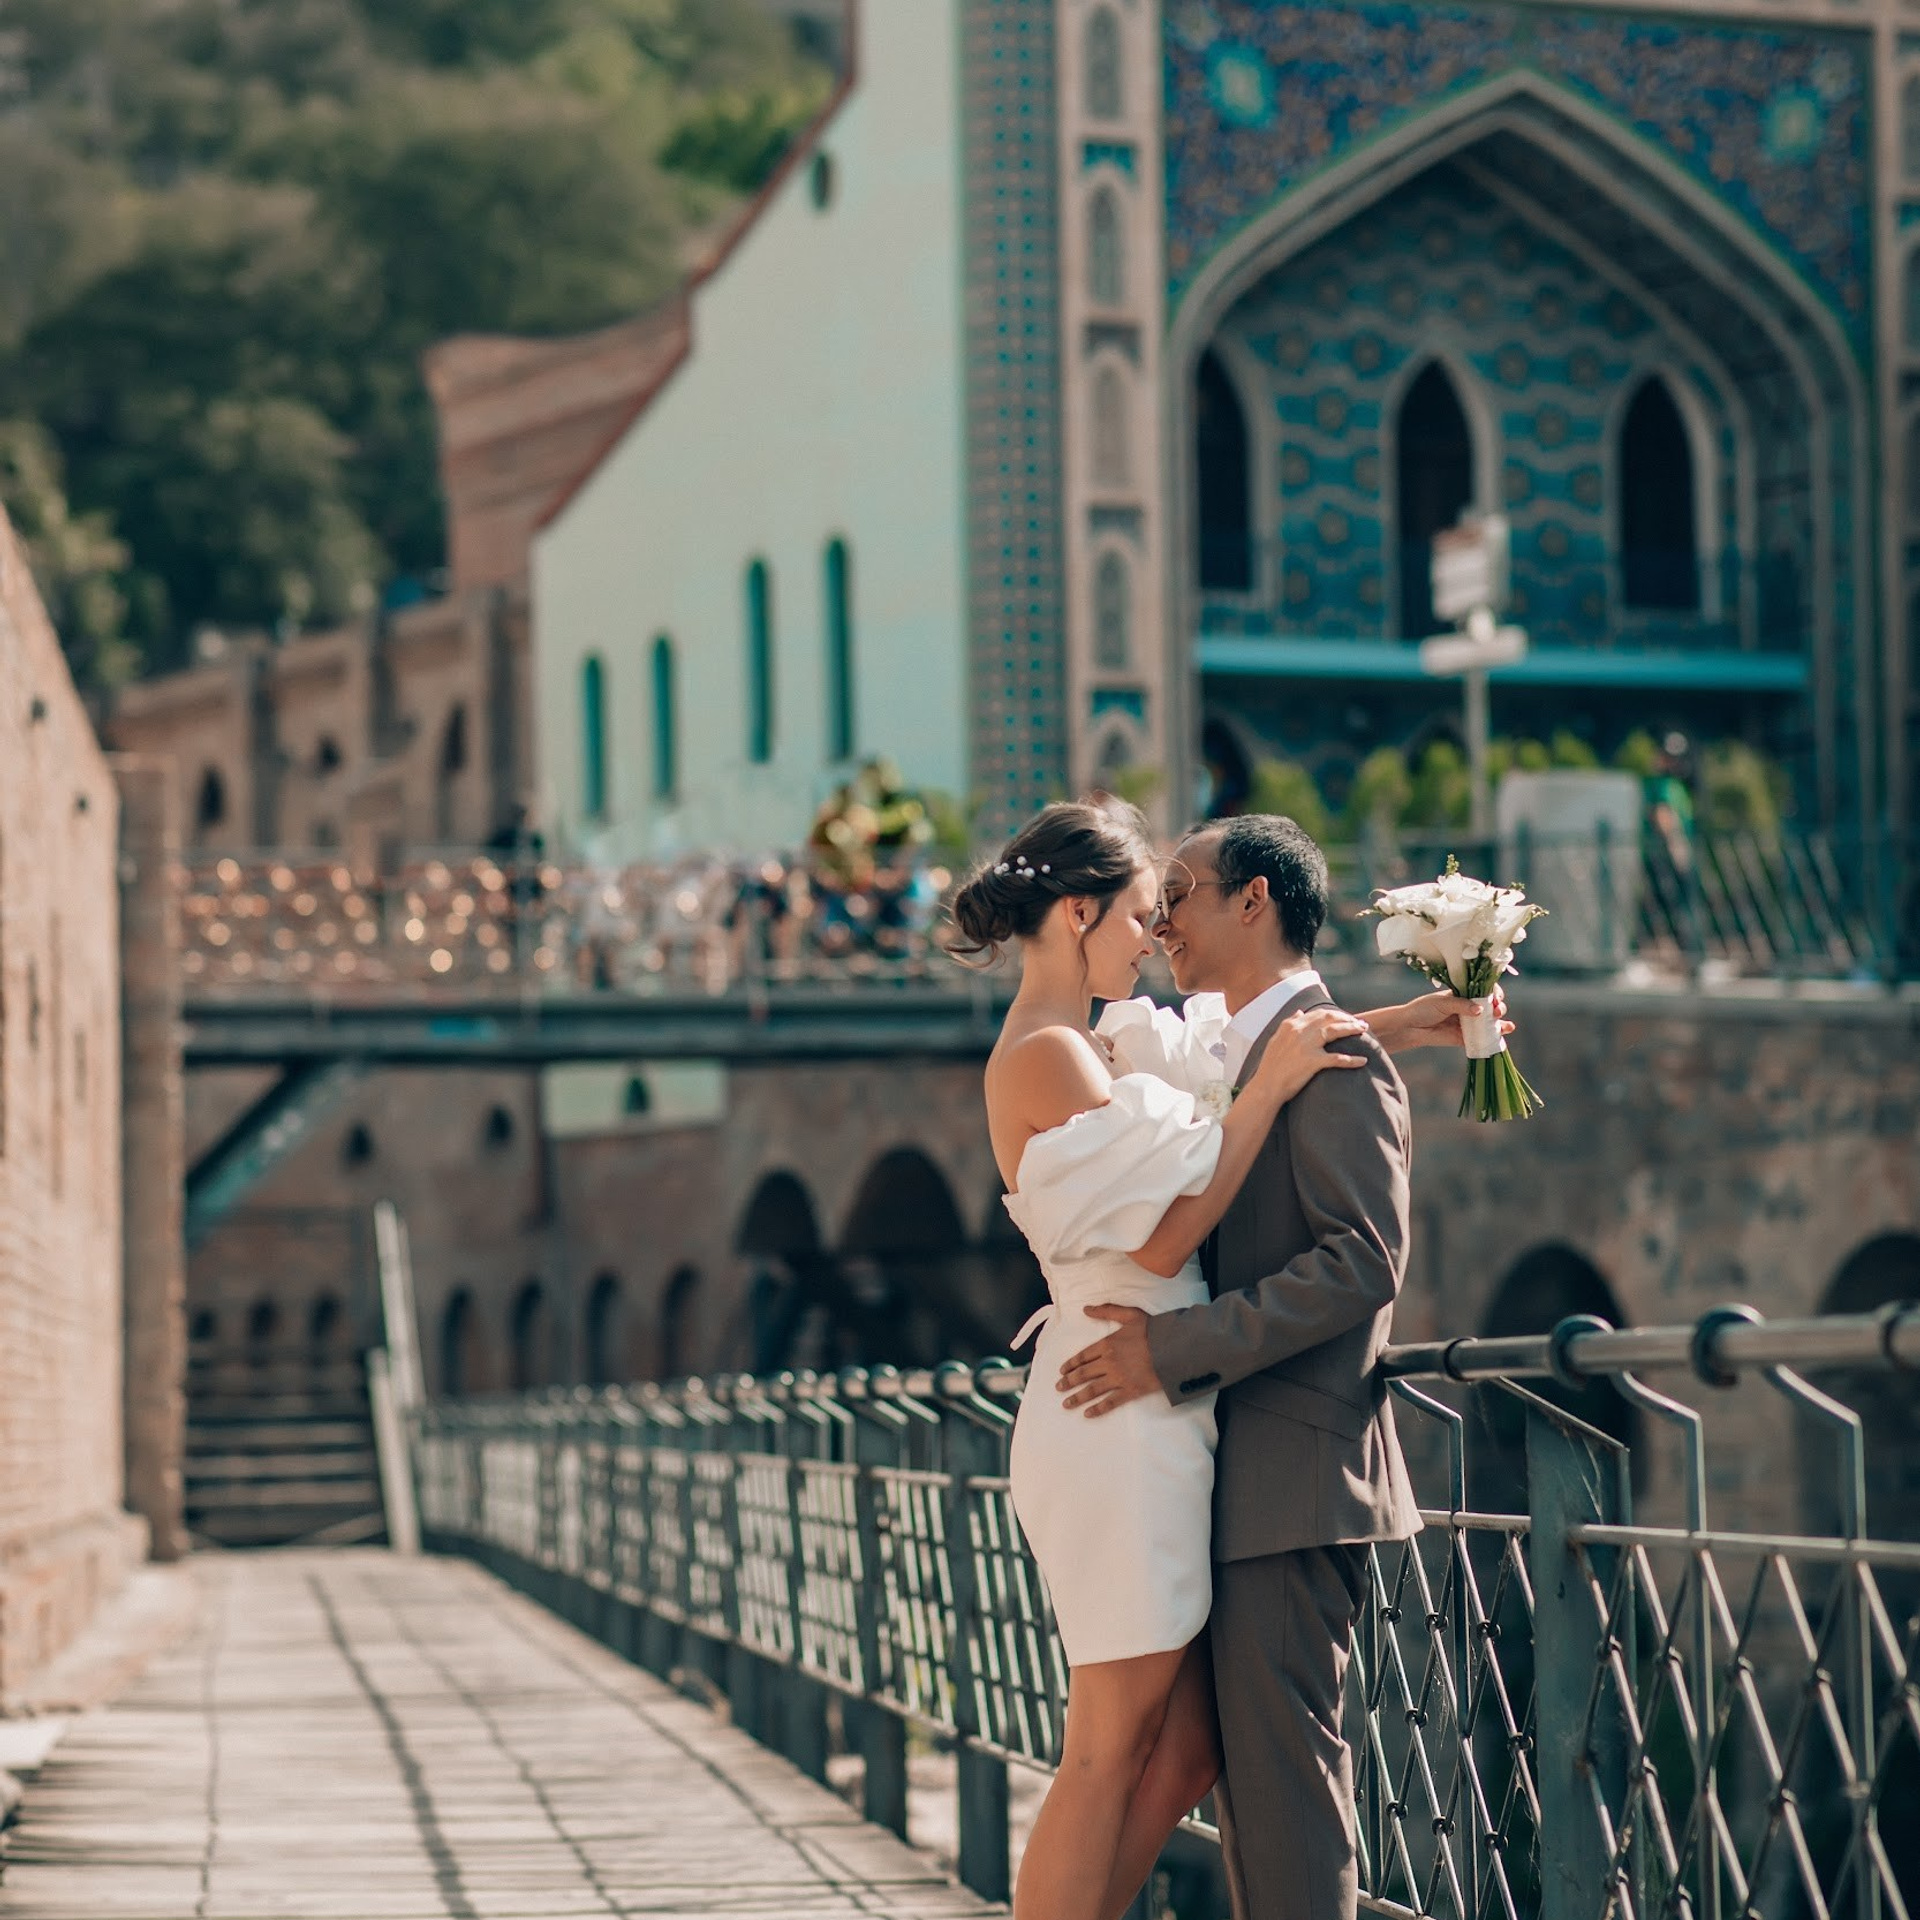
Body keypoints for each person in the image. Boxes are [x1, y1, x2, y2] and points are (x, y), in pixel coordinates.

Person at [950, 800, 1487, 1920]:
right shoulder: (1055, 1053)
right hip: (1118, 1395)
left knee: (1187, 1744)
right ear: (1082, 912)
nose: (1156, 932)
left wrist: (1399, 1024)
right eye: (1147, 909)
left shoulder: (1098, 1041)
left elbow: (1240, 1063)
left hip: (1162, 1407)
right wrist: (1278, 1088)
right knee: (1107, 1748)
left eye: (1175, 901)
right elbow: (1174, 1216)